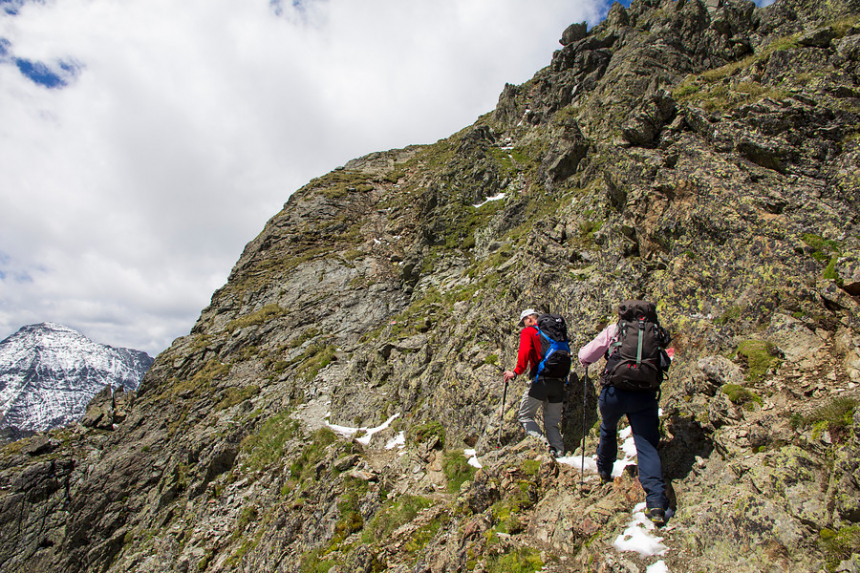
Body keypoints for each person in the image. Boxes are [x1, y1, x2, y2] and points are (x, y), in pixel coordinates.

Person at [578, 303, 670, 526]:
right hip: (644, 396)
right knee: (646, 445)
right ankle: (656, 503)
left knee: (608, 428)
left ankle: (604, 470)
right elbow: (665, 361)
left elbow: (586, 354)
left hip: (615, 392)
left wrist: (586, 361)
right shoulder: (656, 331)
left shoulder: (616, 329)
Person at [503, 308, 565, 457]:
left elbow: (524, 352)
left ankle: (544, 445)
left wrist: (516, 372)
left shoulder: (529, 332)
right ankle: (560, 453)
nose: (524, 325)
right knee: (552, 423)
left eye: (524, 321)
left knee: (524, 415)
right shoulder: (555, 330)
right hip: (559, 381)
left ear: (529, 319)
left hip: (540, 381)